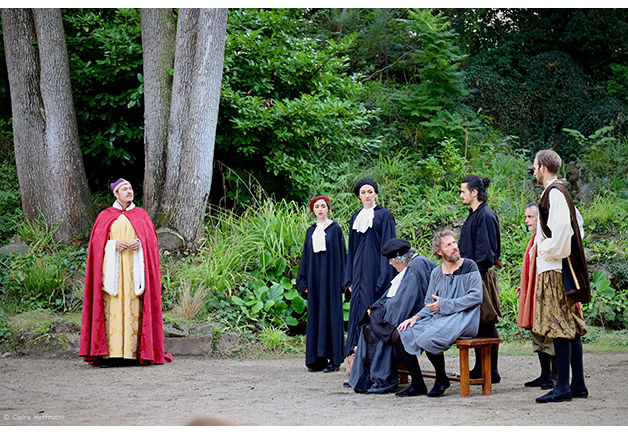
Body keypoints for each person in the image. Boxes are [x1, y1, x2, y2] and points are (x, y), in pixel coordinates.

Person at [80, 178, 172, 366]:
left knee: (134, 309)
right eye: (124, 189)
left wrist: (140, 244)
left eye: (130, 188)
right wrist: (113, 245)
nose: (129, 191)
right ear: (116, 194)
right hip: (112, 275)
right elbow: (96, 246)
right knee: (112, 310)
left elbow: (151, 243)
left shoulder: (141, 215)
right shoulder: (105, 216)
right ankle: (111, 355)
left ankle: (133, 354)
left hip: (133, 275)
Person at [392, 230, 483, 398]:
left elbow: (476, 297)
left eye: (454, 243)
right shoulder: (436, 272)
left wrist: (445, 304)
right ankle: (417, 384)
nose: (454, 247)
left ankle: (441, 379)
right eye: (448, 245)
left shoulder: (469, 266)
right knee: (399, 334)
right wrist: (415, 317)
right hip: (440, 317)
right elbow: (430, 304)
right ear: (439, 251)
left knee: (428, 338)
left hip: (464, 318)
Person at [532, 150, 590, 403]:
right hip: (559, 267)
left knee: (558, 326)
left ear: (543, 168)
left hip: (555, 270)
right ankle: (577, 385)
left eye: (535, 166)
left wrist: (547, 250)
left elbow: (566, 229)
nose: (534, 171)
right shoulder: (559, 192)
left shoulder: (554, 193)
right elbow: (579, 225)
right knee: (570, 326)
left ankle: (563, 387)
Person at [348, 238, 436, 394]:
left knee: (377, 329)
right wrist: (377, 309)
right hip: (415, 312)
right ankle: (367, 377)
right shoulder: (415, 264)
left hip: (422, 315)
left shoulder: (415, 268)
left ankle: (380, 379)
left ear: (399, 258)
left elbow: (404, 302)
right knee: (371, 325)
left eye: (391, 259)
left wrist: (378, 312)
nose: (390, 263)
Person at [344, 178, 397, 364]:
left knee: (373, 314)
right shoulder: (355, 217)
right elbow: (352, 250)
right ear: (359, 196)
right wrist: (349, 279)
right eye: (363, 192)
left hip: (377, 273)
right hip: (358, 275)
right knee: (357, 313)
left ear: (376, 194)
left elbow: (389, 246)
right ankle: (355, 360)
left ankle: (375, 362)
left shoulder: (384, 215)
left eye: (370, 191)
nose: (367, 195)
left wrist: (384, 277)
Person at [458, 175, 502, 383]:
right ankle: (480, 367)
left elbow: (486, 251)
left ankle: (492, 371)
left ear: (474, 192)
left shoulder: (485, 215)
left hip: (481, 274)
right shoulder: (474, 214)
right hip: (473, 274)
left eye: (463, 191)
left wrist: (474, 274)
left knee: (487, 319)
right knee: (477, 321)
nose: (461, 195)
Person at [296, 195, 346, 373]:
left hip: (332, 281)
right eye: (317, 206)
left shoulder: (335, 229)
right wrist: (303, 281)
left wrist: (344, 280)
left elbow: (342, 255)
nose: (320, 209)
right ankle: (317, 359)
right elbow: (305, 256)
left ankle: (334, 360)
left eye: (323, 206)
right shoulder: (310, 231)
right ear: (313, 210)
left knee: (332, 316)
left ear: (328, 209)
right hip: (315, 282)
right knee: (316, 317)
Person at [516, 202, 557, 389]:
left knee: (549, 331)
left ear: (540, 218)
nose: (526, 220)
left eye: (530, 217)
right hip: (533, 293)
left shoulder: (548, 238)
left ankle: (555, 375)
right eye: (526, 217)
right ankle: (544, 374)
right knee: (537, 331)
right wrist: (525, 286)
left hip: (546, 293)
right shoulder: (534, 239)